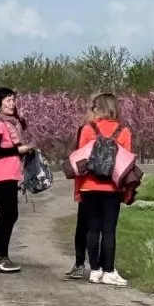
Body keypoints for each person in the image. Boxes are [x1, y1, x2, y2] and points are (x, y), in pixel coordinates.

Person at [75, 93, 133, 287]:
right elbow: (125, 165)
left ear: (97, 108)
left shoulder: (87, 129)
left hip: (89, 186)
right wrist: (126, 191)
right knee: (109, 230)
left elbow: (80, 162)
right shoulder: (124, 131)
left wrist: (78, 190)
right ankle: (108, 270)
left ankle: (95, 271)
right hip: (112, 188)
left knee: (92, 230)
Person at [0, 87, 31, 273]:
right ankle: (0, 257)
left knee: (10, 214)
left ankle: (2, 256)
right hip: (0, 174)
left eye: (13, 100)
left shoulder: (11, 123)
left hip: (10, 173)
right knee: (7, 214)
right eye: (8, 100)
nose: (12, 104)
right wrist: (17, 150)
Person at [67, 103, 98, 280]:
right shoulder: (86, 129)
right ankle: (81, 263)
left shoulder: (112, 129)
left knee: (90, 226)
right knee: (86, 225)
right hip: (88, 183)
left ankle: (88, 264)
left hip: (92, 185)